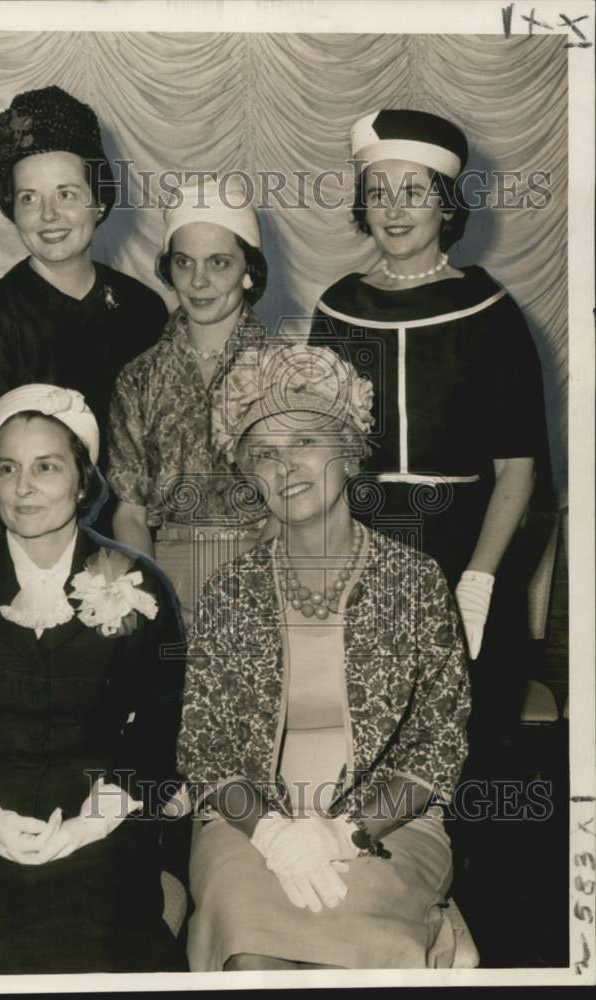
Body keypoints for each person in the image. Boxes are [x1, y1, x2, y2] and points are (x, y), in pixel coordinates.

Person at [176, 344, 471, 971]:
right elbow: (203, 751)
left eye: (306, 439)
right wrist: (274, 834)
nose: (286, 466)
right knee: (251, 948)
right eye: (264, 452)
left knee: (361, 959)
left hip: (387, 828)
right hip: (249, 826)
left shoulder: (414, 582)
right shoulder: (228, 592)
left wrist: (345, 833)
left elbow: (438, 744)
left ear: (351, 449)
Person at [0, 384, 186, 975]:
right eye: (7, 469)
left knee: (94, 946)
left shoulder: (141, 582)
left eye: (46, 467)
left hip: (101, 821)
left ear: (82, 482)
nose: (23, 488)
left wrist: (86, 825)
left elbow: (163, 725)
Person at [309, 109, 553, 748]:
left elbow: (518, 470)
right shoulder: (337, 308)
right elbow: (317, 456)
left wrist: (479, 578)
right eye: (379, 192)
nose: (394, 209)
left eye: (414, 192)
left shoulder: (490, 312)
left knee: (462, 740)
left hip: (466, 548)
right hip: (363, 551)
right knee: (363, 735)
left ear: (446, 206)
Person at [0, 86, 167, 533]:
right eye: (29, 198)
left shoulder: (144, 310)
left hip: (137, 545)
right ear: (12, 208)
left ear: (98, 200)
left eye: (66, 194)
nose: (48, 215)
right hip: (25, 556)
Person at [107, 176, 270, 625]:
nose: (199, 282)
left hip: (267, 569)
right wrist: (154, 599)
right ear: (168, 269)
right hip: (167, 572)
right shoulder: (138, 379)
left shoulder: (287, 371)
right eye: (184, 262)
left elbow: (298, 505)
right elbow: (131, 512)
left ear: (248, 268)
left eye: (218, 262)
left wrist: (255, 591)